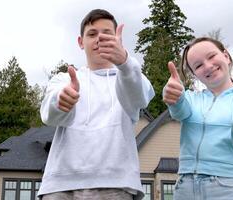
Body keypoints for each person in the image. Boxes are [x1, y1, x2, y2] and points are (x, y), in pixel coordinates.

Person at [39, 9, 154, 200]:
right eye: (92, 34)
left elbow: (139, 97)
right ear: (80, 42)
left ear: (118, 39)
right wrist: (62, 101)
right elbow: (49, 116)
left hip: (116, 185)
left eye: (107, 33)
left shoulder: (131, 76)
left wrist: (125, 62)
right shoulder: (64, 79)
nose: (99, 38)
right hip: (60, 185)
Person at [163, 37, 233, 200]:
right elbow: (179, 111)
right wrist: (173, 96)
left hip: (229, 188)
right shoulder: (190, 98)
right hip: (185, 188)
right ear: (195, 74)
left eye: (211, 56)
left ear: (226, 56)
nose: (208, 66)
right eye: (198, 65)